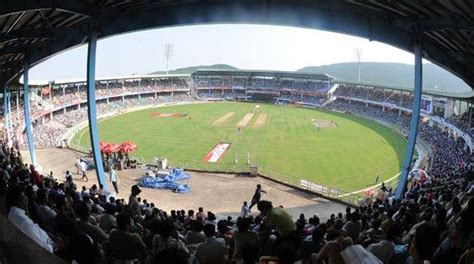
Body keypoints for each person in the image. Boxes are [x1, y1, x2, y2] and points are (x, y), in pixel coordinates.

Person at [7, 186, 56, 253]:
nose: (26, 198)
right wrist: (54, 246)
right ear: (16, 201)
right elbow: (45, 248)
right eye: (23, 197)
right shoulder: (25, 222)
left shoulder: (13, 213)